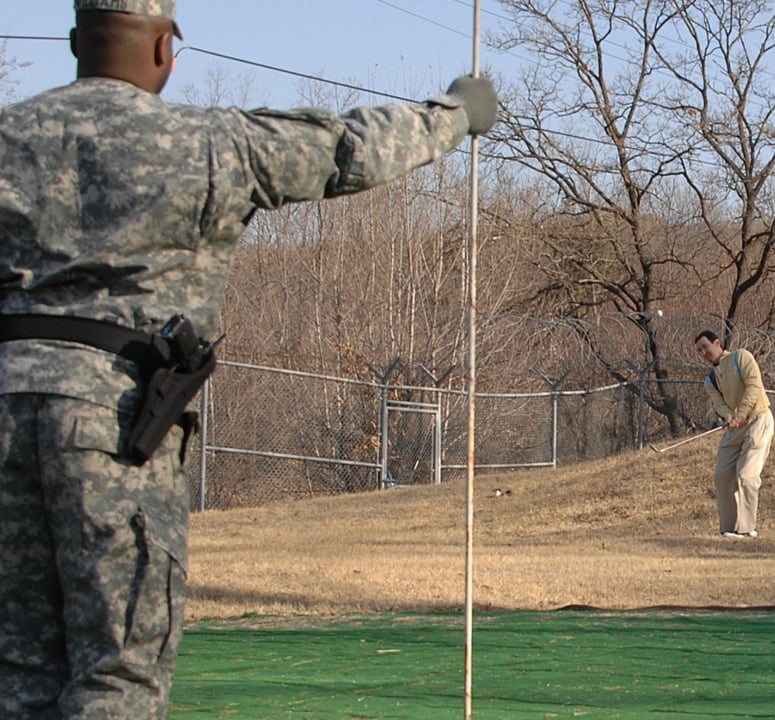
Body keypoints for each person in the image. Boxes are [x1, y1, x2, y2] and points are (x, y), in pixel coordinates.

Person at [0, 1, 498, 716]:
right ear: (166, 49)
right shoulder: (209, 142)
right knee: (117, 672)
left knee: (17, 671)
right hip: (112, 424)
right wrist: (455, 114)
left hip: (6, 407)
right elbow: (346, 148)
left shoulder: (10, 134)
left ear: (76, 40)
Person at [694, 330, 774, 539]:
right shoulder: (710, 380)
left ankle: (747, 529)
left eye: (706, 347)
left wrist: (743, 412)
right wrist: (729, 416)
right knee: (722, 476)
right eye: (699, 350)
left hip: (758, 419)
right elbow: (718, 403)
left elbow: (754, 385)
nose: (703, 353)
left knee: (746, 475)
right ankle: (729, 528)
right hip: (734, 428)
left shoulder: (741, 357)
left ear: (717, 343)